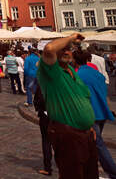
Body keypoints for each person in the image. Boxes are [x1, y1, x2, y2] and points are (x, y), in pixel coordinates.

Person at [37, 33, 98, 179]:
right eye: (62, 49)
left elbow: (83, 98)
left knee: (90, 175)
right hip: (68, 135)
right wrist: (71, 38)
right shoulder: (51, 71)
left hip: (85, 135)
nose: (66, 52)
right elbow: (50, 48)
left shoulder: (72, 72)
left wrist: (89, 126)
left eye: (68, 49)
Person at [74, 50, 116, 179]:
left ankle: (113, 172)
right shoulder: (97, 73)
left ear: (75, 60)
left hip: (90, 114)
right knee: (92, 144)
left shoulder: (78, 75)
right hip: (102, 112)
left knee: (98, 144)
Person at [34, 84, 54, 176]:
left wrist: (39, 109)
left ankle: (47, 167)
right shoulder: (60, 81)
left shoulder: (43, 84)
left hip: (46, 115)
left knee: (46, 141)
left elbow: (38, 100)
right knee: (58, 141)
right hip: (58, 116)